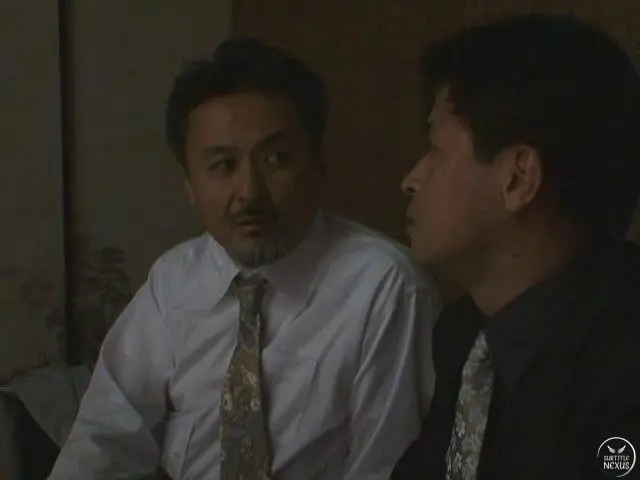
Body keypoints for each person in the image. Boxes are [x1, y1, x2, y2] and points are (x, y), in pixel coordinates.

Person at [48, 38, 440, 479]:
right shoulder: (174, 280)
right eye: (222, 165)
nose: (250, 193)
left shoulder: (385, 286)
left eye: (276, 159)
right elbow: (106, 435)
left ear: (318, 164)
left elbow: (385, 467)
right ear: (190, 186)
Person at [392, 13, 640, 480]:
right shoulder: (464, 334)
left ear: (518, 179)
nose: (411, 179)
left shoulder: (624, 361)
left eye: (436, 151)